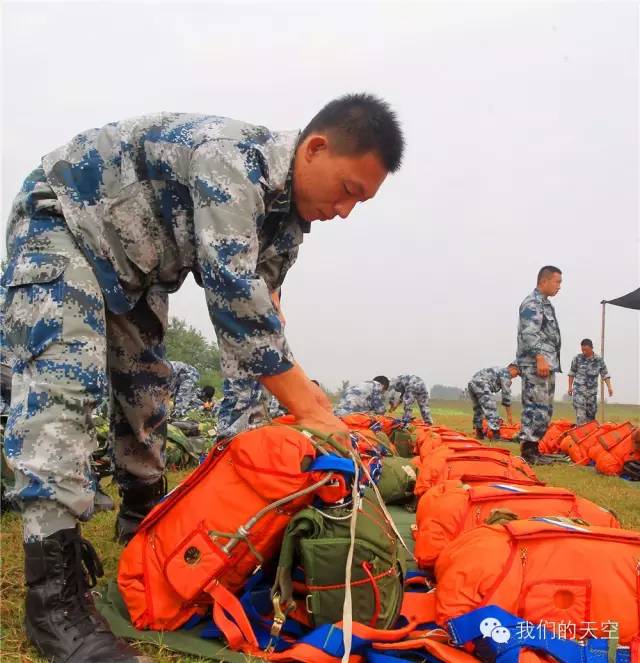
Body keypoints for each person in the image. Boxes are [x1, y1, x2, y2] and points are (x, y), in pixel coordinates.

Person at [1, 93, 404, 662]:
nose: (345, 210)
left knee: (146, 391)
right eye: (348, 190)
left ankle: (145, 522)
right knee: (64, 386)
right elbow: (234, 293)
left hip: (132, 273)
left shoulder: (287, 225)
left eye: (360, 202)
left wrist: (295, 404)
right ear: (315, 148)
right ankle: (53, 598)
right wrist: (310, 408)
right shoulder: (232, 160)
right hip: (65, 224)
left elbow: (262, 325)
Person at [516, 265, 562, 465]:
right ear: (544, 281)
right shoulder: (532, 303)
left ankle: (534, 448)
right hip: (536, 364)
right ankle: (528, 450)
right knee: (535, 407)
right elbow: (529, 333)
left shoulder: (545, 304)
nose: (559, 286)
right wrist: (540, 357)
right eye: (557, 281)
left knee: (544, 408)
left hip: (546, 363)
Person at [468, 363, 520, 440]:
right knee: (491, 408)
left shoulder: (499, 369)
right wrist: (509, 416)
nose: (516, 376)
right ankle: (496, 435)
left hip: (472, 383)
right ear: (512, 369)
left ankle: (479, 433)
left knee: (478, 409)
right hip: (482, 384)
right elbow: (506, 396)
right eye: (517, 373)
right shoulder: (506, 374)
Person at [568, 339, 612, 424]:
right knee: (580, 416)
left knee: (591, 417)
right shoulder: (577, 358)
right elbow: (571, 373)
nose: (584, 352)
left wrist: (609, 387)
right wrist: (570, 387)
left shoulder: (599, 360)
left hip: (591, 393)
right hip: (579, 391)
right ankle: (580, 434)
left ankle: (589, 435)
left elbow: (605, 374)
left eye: (586, 350)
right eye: (582, 350)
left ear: (591, 348)